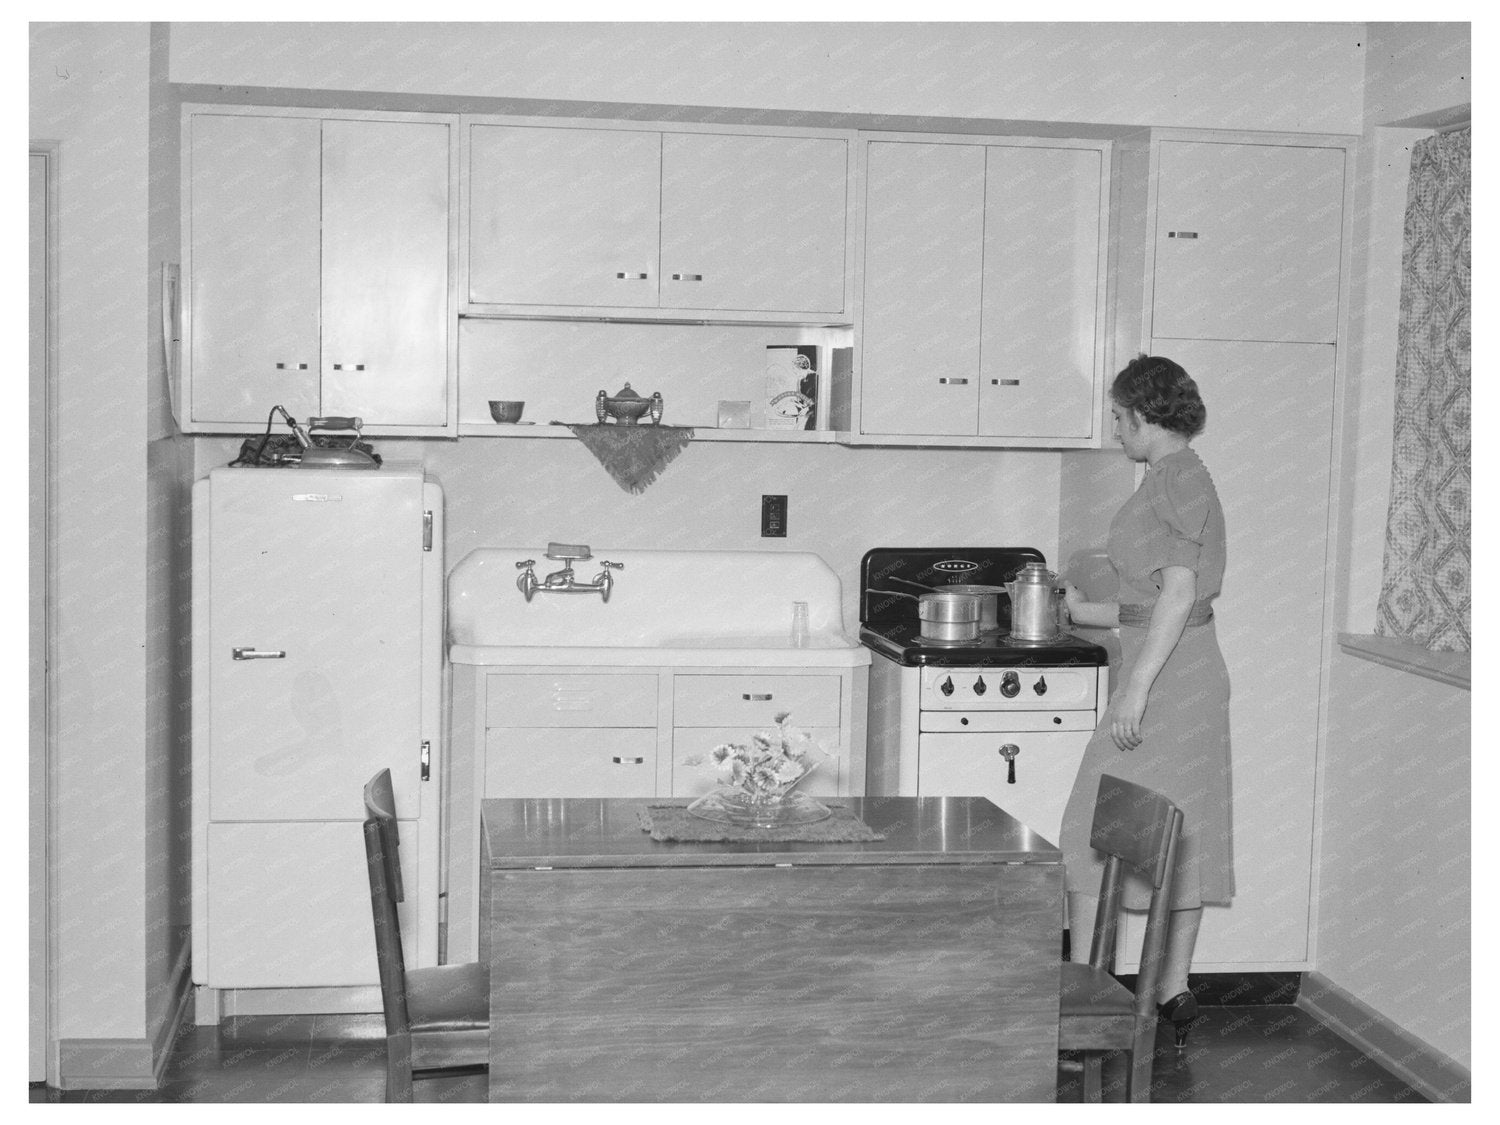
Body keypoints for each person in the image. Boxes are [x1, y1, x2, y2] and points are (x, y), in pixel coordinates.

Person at [1059, 354, 1233, 1050]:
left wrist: (1134, 689)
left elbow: (1182, 593)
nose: (1114, 428)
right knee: (1176, 827)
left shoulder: (1180, 479)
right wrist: (1083, 610)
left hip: (1170, 680)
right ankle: (1169, 987)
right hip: (1175, 665)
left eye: (1118, 416)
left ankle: (1088, 982)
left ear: (1142, 414)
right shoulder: (1169, 478)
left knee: (1089, 825)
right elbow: (1147, 601)